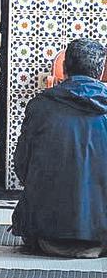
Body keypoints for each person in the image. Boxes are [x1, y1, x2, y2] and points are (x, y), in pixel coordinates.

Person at [12, 38, 107, 258]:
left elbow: (22, 167)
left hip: (49, 234)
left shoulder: (40, 106)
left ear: (64, 69)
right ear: (101, 71)